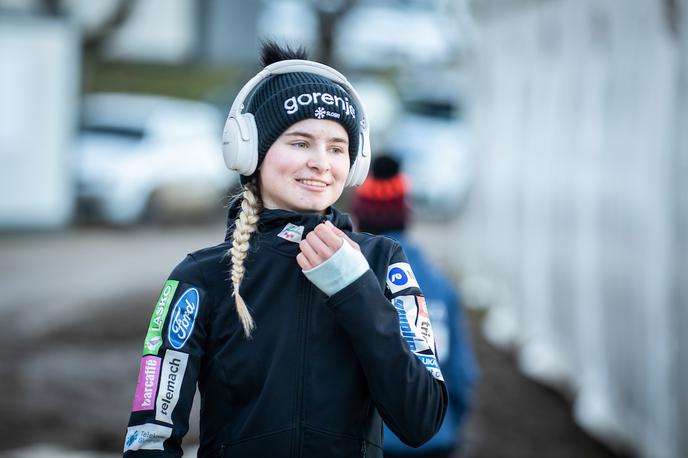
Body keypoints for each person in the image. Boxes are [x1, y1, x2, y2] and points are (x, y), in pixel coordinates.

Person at [123, 42, 447, 458]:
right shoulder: (198, 279)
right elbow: (149, 436)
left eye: (336, 148)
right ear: (250, 150)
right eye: (299, 143)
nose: (321, 162)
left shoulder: (383, 264)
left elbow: (421, 420)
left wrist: (355, 289)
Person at [350, 155, 478, 458]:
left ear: (359, 214)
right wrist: (450, 426)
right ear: (405, 213)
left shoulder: (344, 280)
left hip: (369, 442)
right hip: (436, 438)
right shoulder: (438, 282)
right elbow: (463, 373)